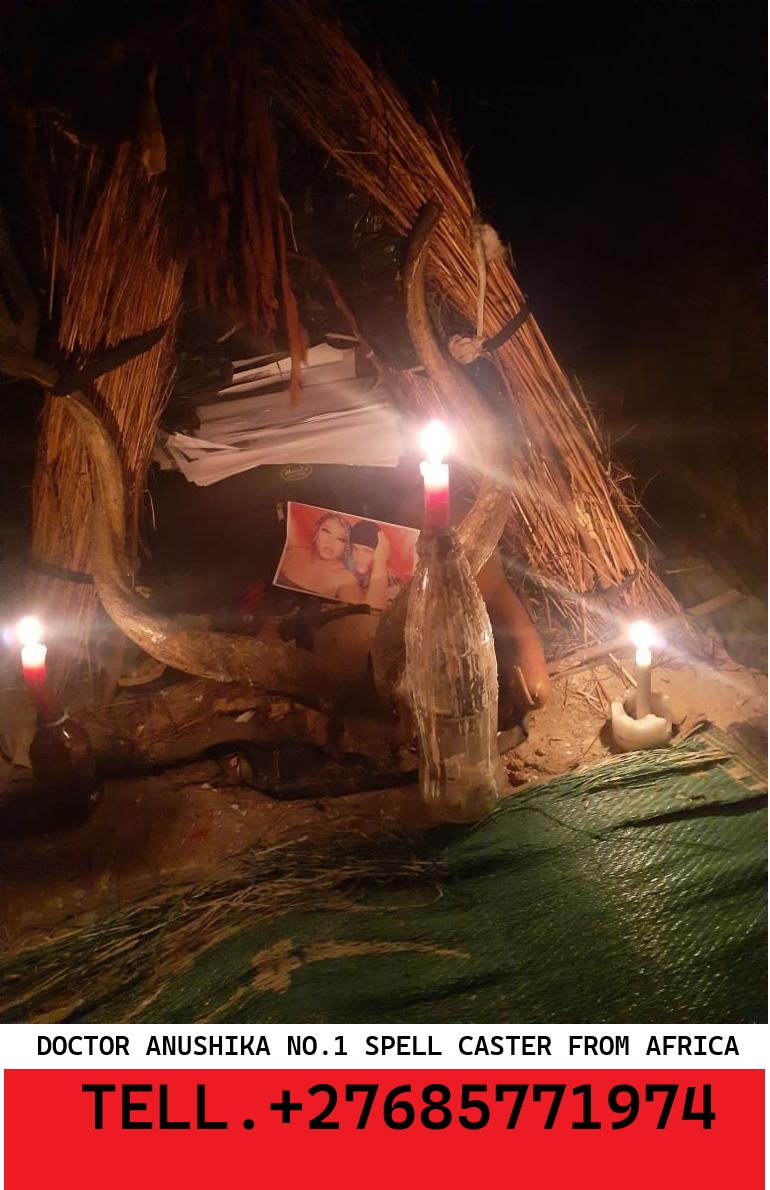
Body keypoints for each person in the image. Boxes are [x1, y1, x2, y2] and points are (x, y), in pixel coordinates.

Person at [277, 511, 363, 602]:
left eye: (340, 539)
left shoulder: (348, 581)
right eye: (326, 531)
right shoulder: (293, 553)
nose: (330, 542)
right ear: (316, 531)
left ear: (346, 546)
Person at [346, 520, 400, 610]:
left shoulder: (391, 581)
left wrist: (380, 562)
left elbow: (372, 613)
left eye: (367, 551)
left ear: (379, 552)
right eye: (355, 549)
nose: (359, 557)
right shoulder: (356, 575)